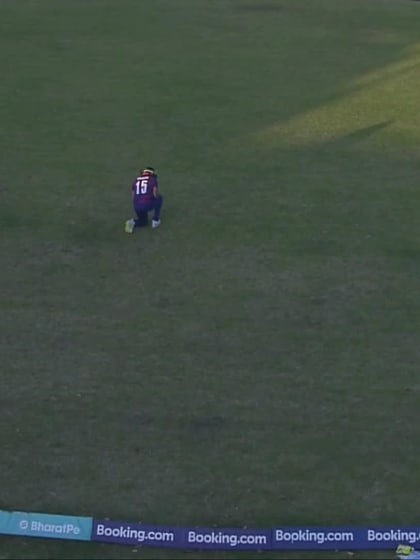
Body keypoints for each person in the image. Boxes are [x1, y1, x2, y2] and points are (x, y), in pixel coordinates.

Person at [125, 166, 163, 233]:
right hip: (147, 204)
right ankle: (155, 220)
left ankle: (132, 222)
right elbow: (155, 195)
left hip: (137, 206)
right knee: (159, 198)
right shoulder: (153, 180)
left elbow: (133, 197)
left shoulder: (136, 180)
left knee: (143, 222)